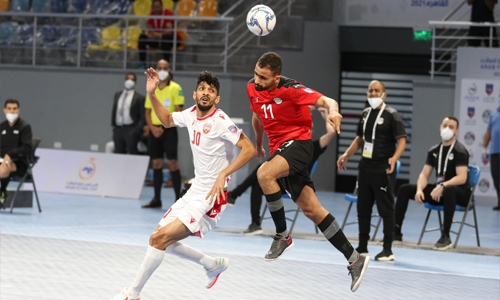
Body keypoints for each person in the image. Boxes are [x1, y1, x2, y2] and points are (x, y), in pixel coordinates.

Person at [112, 69, 257, 300]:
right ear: (195, 94)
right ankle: (211, 264)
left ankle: (133, 293)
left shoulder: (220, 120)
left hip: (211, 195)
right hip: (195, 191)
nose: (206, 93)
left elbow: (250, 149)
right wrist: (152, 94)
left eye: (211, 90)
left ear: (217, 99)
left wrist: (224, 174)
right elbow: (168, 120)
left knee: (160, 240)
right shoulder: (189, 114)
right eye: (202, 89)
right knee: (158, 239)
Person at [248, 52, 368, 292]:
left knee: (264, 174)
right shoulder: (252, 88)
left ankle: (282, 236)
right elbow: (257, 116)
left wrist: (333, 111)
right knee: (313, 210)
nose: (257, 80)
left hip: (299, 144)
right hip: (279, 148)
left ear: (277, 77)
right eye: (256, 74)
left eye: (263, 77)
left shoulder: (292, 89)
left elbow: (327, 101)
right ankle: (355, 258)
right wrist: (259, 142)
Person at [228, 107, 336, 235]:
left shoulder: (315, 146)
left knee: (260, 171)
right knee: (258, 180)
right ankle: (255, 224)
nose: (307, 130)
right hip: (282, 179)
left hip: (295, 185)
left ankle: (234, 195)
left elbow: (331, 133)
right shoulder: (293, 145)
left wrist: (327, 116)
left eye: (310, 128)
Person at [337, 80, 406, 262]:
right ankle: (363, 246)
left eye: (377, 91)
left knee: (386, 209)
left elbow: (402, 141)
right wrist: (346, 155)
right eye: (370, 90)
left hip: (383, 168)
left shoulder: (392, 115)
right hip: (365, 167)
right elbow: (360, 139)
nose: (373, 94)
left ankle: (387, 249)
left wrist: (394, 159)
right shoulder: (365, 113)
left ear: (384, 94)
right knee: (363, 207)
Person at [395, 116, 470, 250]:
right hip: (439, 192)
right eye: (445, 125)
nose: (447, 129)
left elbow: (462, 177)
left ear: (457, 132)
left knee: (449, 190)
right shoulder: (434, 150)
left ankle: (445, 236)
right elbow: (424, 174)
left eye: (451, 127)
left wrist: (442, 185)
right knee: (405, 189)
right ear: (440, 127)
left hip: (461, 193)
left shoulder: (460, 151)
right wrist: (419, 190)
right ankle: (395, 233)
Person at [142, 59, 184, 208]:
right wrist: (153, 129)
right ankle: (156, 199)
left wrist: (167, 125)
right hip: (155, 130)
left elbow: (179, 110)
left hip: (169, 130)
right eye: (159, 67)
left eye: (164, 67)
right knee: (156, 163)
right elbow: (147, 112)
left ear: (169, 69)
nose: (162, 70)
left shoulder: (175, 88)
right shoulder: (152, 88)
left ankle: (178, 200)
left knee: (173, 163)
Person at [0, 99, 33, 208]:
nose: (12, 111)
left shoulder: (25, 127)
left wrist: (9, 155)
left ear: (18, 110)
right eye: (9, 109)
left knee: (3, 169)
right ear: (4, 110)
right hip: (2, 160)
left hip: (19, 163)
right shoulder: (2, 127)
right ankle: (2, 194)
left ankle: (2, 194)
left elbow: (26, 148)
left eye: (14, 109)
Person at [111, 72, 146, 154]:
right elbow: (114, 110)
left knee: (132, 152)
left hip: (131, 129)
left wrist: (137, 130)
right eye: (128, 79)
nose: (129, 81)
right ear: (125, 80)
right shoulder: (118, 95)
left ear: (135, 82)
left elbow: (142, 115)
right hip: (118, 128)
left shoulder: (139, 98)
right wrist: (114, 126)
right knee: (118, 152)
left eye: (132, 79)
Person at [138, 0, 177, 68]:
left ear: (161, 6)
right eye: (154, 7)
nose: (156, 9)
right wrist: (151, 34)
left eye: (158, 7)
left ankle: (166, 65)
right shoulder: (152, 14)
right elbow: (150, 28)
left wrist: (159, 35)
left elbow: (169, 30)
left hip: (167, 38)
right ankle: (142, 63)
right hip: (156, 38)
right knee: (142, 37)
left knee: (165, 39)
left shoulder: (167, 13)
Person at [483, 100, 500, 210]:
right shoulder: (494, 114)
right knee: (496, 177)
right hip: (494, 151)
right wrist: (484, 147)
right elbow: (488, 132)